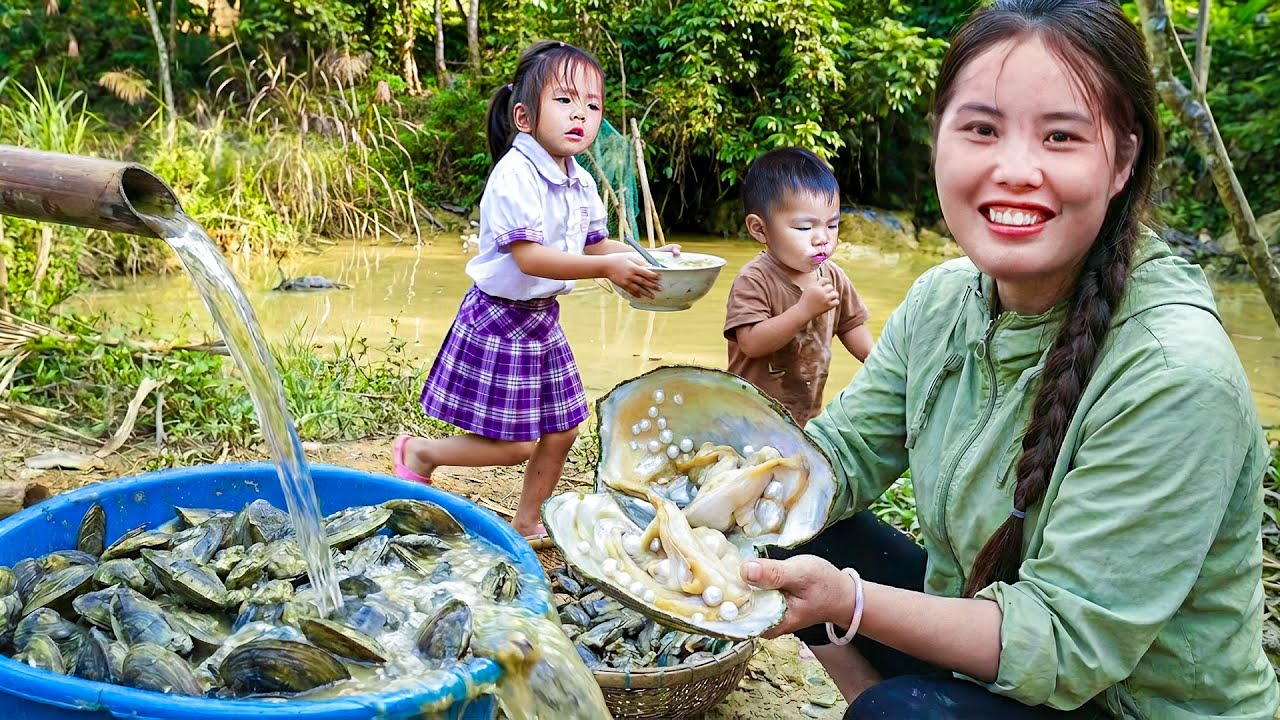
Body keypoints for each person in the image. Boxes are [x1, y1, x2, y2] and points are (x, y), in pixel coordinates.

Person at [739, 1, 1280, 718]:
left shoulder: (1174, 371)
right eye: (982, 129)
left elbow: (1065, 641)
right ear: (941, 139)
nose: (1015, 169)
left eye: (1060, 135)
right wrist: (700, 491)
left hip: (1126, 700)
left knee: (899, 715)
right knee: (780, 504)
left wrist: (851, 602)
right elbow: (838, 453)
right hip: (990, 632)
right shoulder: (941, 300)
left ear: (1121, 160)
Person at [392, 40, 675, 541]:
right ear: (524, 116)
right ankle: (421, 453)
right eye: (565, 100)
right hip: (499, 320)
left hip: (541, 318)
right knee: (516, 445)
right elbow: (529, 257)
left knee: (564, 427)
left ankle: (527, 519)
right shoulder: (514, 175)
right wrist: (611, 269)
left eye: (593, 105)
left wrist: (644, 259)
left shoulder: (579, 181)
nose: (581, 115)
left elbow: (593, 244)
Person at [724, 148, 873, 426]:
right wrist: (804, 310)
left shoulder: (833, 277)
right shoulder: (754, 279)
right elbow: (751, 343)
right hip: (749, 417)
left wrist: (881, 365)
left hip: (804, 417)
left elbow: (851, 326)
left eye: (832, 225)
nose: (822, 239)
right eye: (805, 228)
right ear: (760, 229)